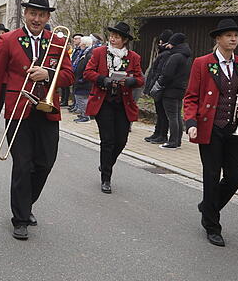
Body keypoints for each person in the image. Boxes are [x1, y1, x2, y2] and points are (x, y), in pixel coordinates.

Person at [0, 0, 73, 240]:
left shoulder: (57, 41)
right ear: (25, 14)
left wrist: (48, 72)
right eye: (32, 13)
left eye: (41, 14)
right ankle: (20, 217)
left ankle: (27, 203)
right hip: (18, 110)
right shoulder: (9, 40)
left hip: (47, 110)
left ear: (47, 17)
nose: (36, 18)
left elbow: (69, 75)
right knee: (23, 165)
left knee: (45, 163)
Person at [184, 19, 238, 247]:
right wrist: (191, 121)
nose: (233, 39)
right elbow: (191, 96)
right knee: (212, 176)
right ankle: (212, 225)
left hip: (234, 128)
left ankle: (208, 206)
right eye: (228, 35)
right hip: (210, 127)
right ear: (218, 39)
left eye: (236, 35)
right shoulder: (202, 63)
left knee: (236, 176)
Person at [83, 22, 144, 193]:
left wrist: (132, 81)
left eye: (117, 37)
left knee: (121, 141)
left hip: (123, 103)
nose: (113, 39)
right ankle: (106, 178)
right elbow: (88, 72)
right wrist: (103, 79)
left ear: (125, 40)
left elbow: (140, 79)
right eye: (111, 36)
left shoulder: (133, 57)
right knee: (108, 141)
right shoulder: (99, 53)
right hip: (104, 103)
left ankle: (105, 164)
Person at [156, 32, 192, 149]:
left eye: (170, 44)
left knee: (172, 116)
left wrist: (160, 84)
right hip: (181, 89)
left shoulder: (175, 57)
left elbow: (167, 74)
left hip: (170, 90)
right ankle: (177, 140)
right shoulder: (187, 56)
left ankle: (172, 141)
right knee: (177, 116)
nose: (168, 46)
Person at [143, 29, 174, 143]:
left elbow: (158, 72)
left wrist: (154, 86)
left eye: (161, 41)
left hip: (160, 87)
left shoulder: (166, 54)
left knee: (162, 113)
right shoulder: (164, 53)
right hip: (158, 86)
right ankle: (157, 133)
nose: (159, 44)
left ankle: (162, 135)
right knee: (159, 112)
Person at [72, 36, 95, 122]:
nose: (80, 44)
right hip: (79, 79)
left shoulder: (89, 55)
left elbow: (87, 68)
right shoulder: (83, 53)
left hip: (84, 81)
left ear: (84, 44)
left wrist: (82, 79)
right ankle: (83, 114)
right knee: (79, 97)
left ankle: (86, 116)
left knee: (81, 98)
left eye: (81, 42)